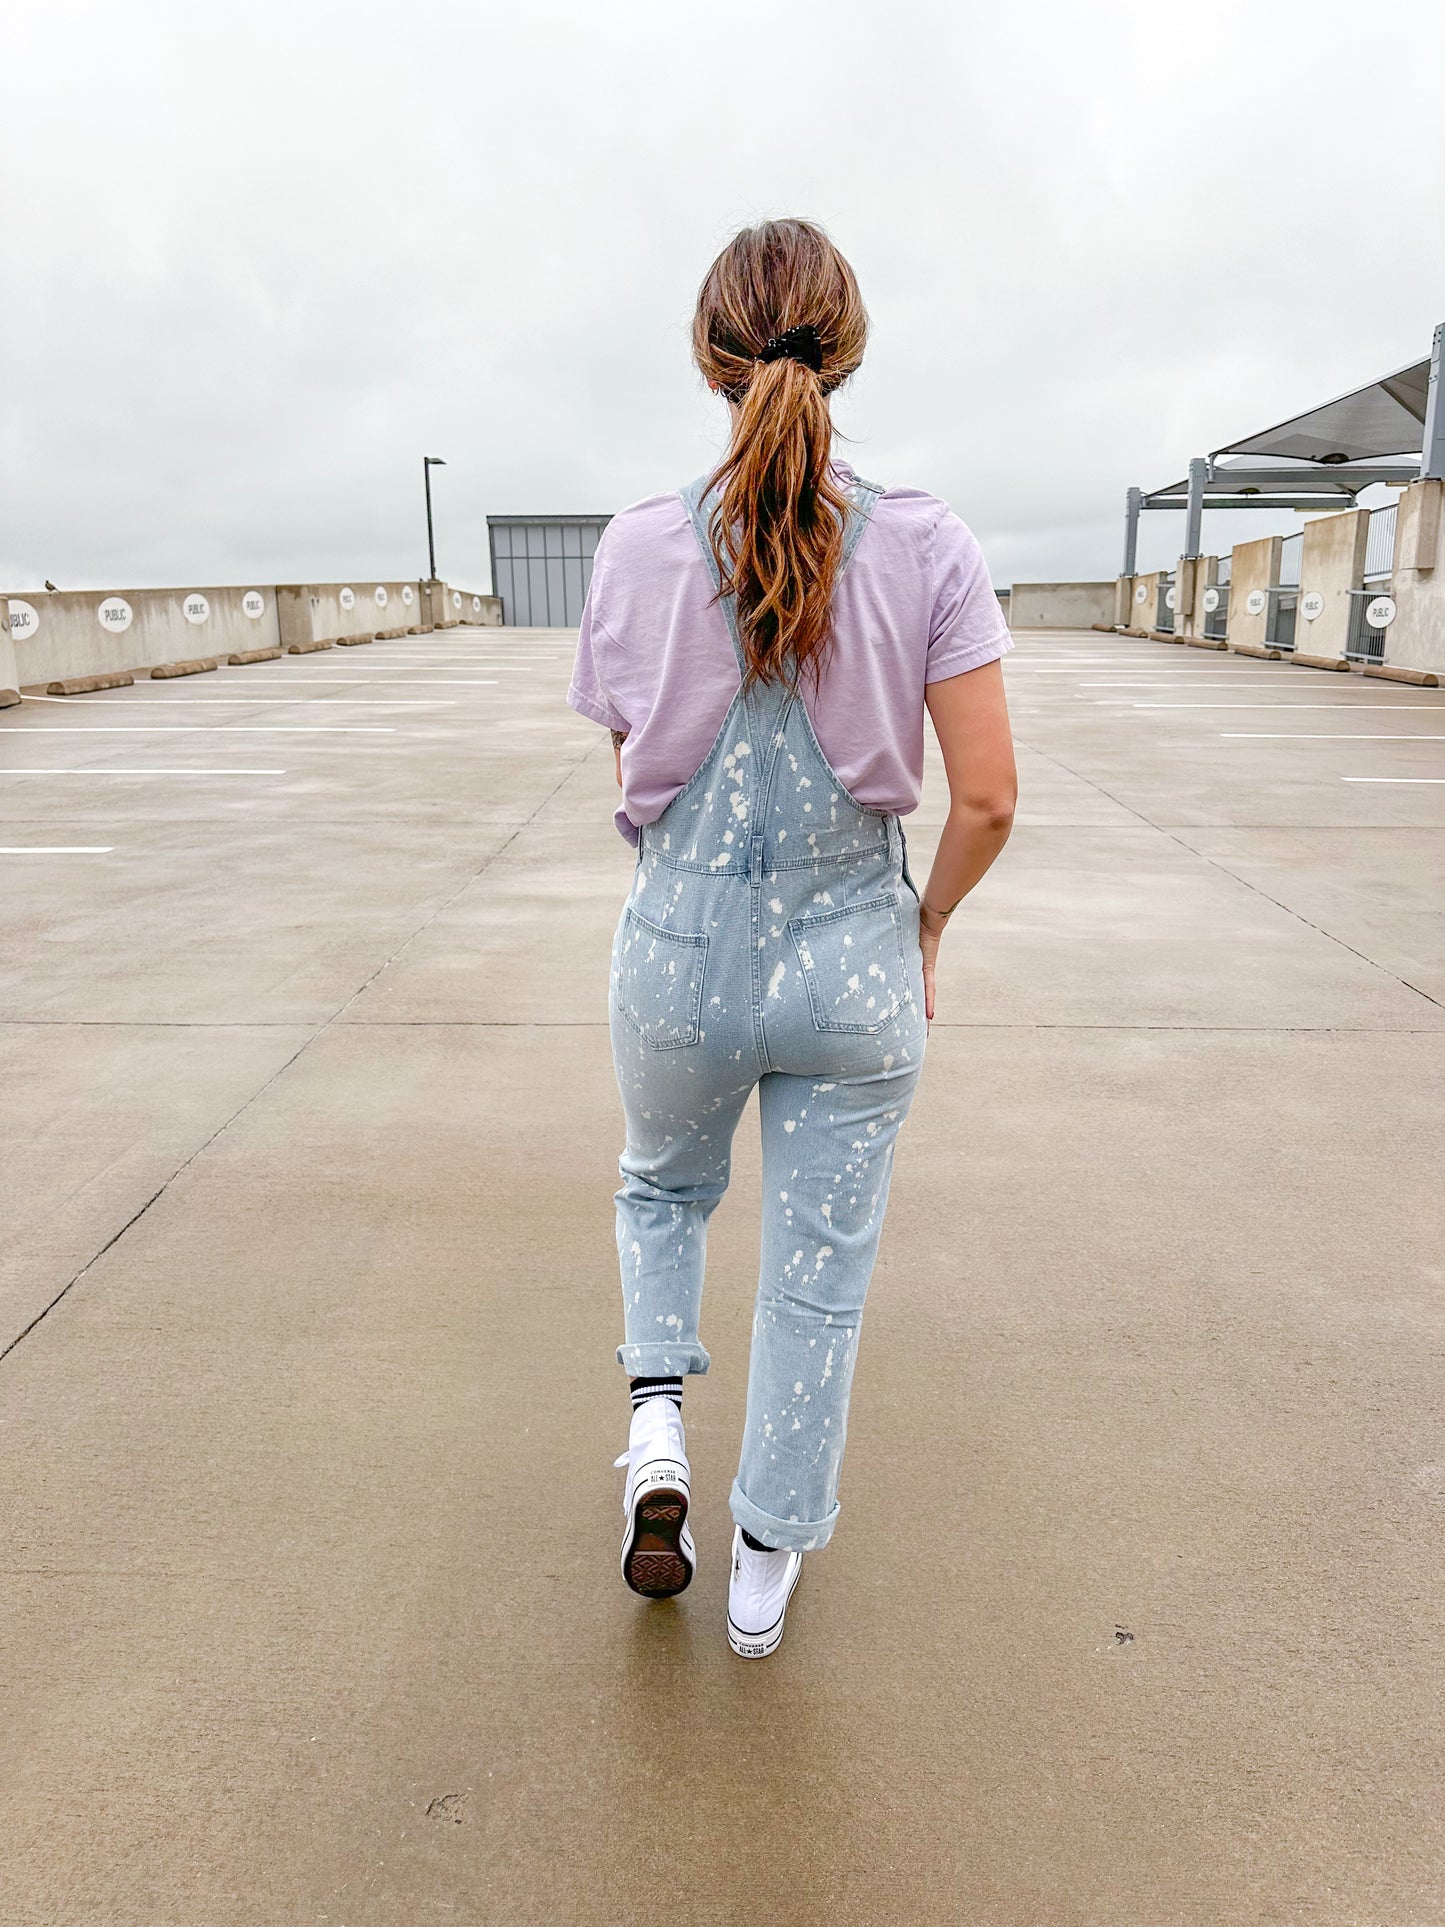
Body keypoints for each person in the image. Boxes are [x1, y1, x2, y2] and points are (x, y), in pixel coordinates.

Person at [567, 218, 1017, 1659]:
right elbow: (989, 798)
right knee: (819, 1266)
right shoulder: (928, 543)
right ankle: (763, 1561)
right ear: (848, 345)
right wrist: (924, 925)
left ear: (711, 356)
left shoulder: (637, 545)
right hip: (851, 958)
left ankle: (654, 1438)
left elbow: (631, 769)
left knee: (660, 1190)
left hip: (679, 951)